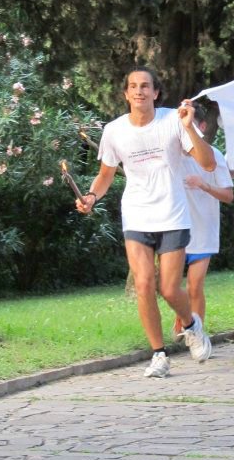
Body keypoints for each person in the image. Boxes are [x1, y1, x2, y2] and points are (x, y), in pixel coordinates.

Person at [77, 67, 215, 379]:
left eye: (146, 86)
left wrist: (190, 127)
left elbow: (208, 163)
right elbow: (105, 175)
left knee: (168, 288)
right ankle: (158, 354)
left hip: (172, 213)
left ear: (155, 93)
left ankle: (192, 326)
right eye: (133, 87)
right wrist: (90, 197)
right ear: (126, 94)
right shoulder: (114, 131)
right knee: (143, 284)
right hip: (137, 213)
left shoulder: (173, 121)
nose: (139, 91)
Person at [180, 104, 234, 326]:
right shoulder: (172, 155)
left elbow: (229, 196)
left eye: (191, 125)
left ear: (201, 126)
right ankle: (183, 319)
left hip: (203, 233)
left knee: (194, 286)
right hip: (176, 230)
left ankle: (196, 332)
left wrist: (204, 185)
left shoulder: (215, 157)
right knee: (170, 287)